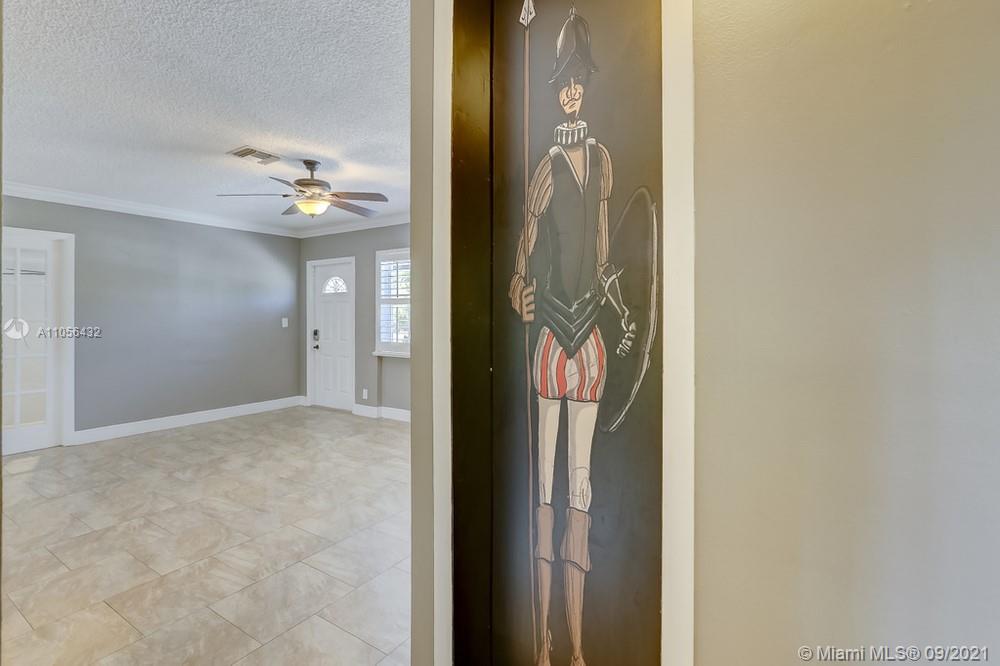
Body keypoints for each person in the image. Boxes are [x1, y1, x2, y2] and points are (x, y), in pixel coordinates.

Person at [509, 8, 636, 666]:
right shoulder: (546, 165)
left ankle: (577, 648)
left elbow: (603, 250)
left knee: (579, 488)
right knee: (544, 489)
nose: (572, 89)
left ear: (588, 85)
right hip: (551, 332)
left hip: (587, 334)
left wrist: (622, 307)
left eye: (579, 78)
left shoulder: (603, 162)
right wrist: (518, 290)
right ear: (556, 90)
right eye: (564, 80)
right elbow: (526, 248)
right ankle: (542, 643)